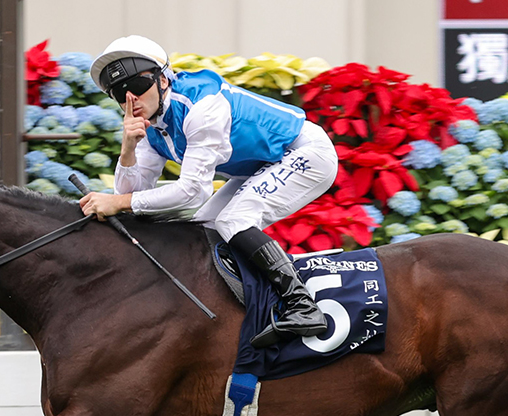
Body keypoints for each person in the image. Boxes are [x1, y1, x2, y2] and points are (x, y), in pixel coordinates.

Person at [80, 36, 337, 347]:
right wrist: (128, 149)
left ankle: (303, 306)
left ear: (163, 80)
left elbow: (191, 192)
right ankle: (244, 308)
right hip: (263, 165)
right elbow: (131, 195)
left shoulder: (202, 107)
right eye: (120, 93)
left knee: (233, 220)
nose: (131, 99)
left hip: (305, 152)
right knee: (204, 228)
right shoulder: (150, 126)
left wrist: (118, 201)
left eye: (137, 84)